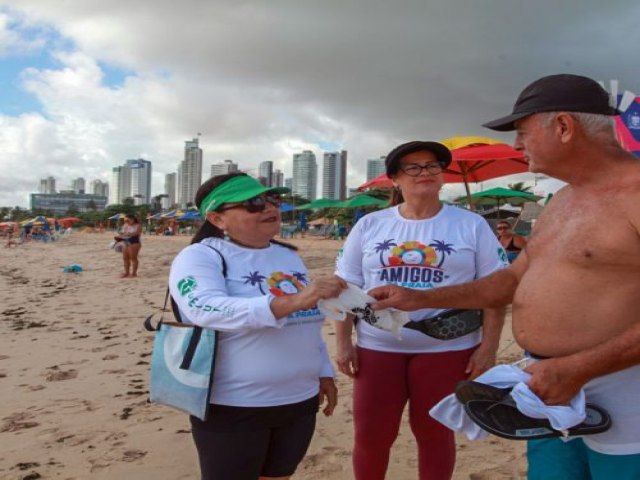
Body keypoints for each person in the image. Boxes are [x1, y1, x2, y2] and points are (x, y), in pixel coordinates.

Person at [369, 74, 640, 480]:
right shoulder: (563, 199)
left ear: (564, 127)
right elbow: (511, 280)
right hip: (544, 386)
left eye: (523, 132)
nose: (517, 145)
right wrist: (421, 298)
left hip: (621, 389)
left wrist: (579, 367)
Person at [334, 140, 507, 480]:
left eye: (432, 166)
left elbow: (495, 291)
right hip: (377, 345)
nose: (424, 172)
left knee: (434, 434)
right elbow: (345, 286)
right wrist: (343, 342)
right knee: (371, 435)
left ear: (443, 176)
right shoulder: (370, 225)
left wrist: (489, 347)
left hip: (448, 347)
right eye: (412, 167)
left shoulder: (471, 225)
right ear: (395, 179)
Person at [168, 172, 346, 480]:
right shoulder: (200, 256)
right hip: (234, 403)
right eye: (253, 203)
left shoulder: (287, 255)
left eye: (272, 199)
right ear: (216, 217)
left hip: (299, 400)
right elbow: (203, 308)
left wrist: (323, 371)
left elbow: (307, 323)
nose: (268, 208)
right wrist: (289, 302)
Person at [115, 213, 142, 278]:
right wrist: (118, 238)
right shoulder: (125, 225)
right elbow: (122, 233)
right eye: (125, 220)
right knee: (125, 258)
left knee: (133, 258)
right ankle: (126, 272)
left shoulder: (138, 225)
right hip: (125, 242)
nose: (126, 221)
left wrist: (126, 234)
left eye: (128, 220)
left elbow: (136, 233)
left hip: (134, 242)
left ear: (133, 219)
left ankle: (134, 273)